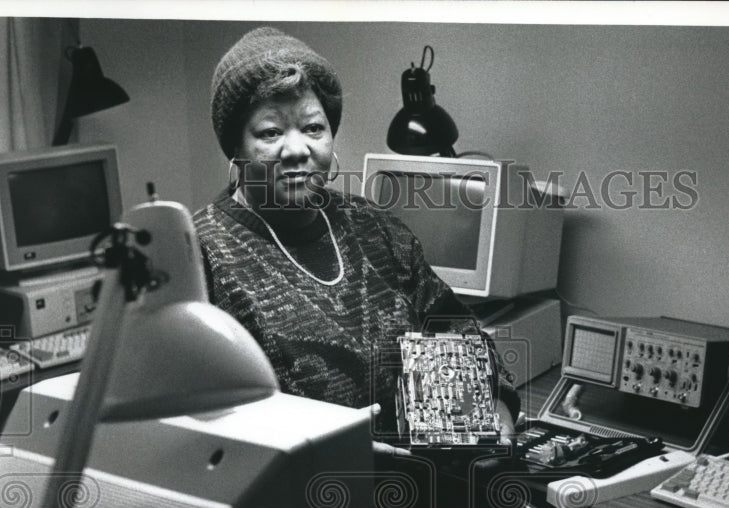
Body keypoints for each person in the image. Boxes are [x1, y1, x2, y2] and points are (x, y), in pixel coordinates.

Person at [192, 27, 520, 449]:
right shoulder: (200, 255)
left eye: (313, 128)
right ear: (234, 147)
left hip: (420, 483)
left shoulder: (374, 227)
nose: (297, 149)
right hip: (298, 498)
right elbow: (199, 426)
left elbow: (452, 330)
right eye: (270, 133)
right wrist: (335, 452)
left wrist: (492, 410)